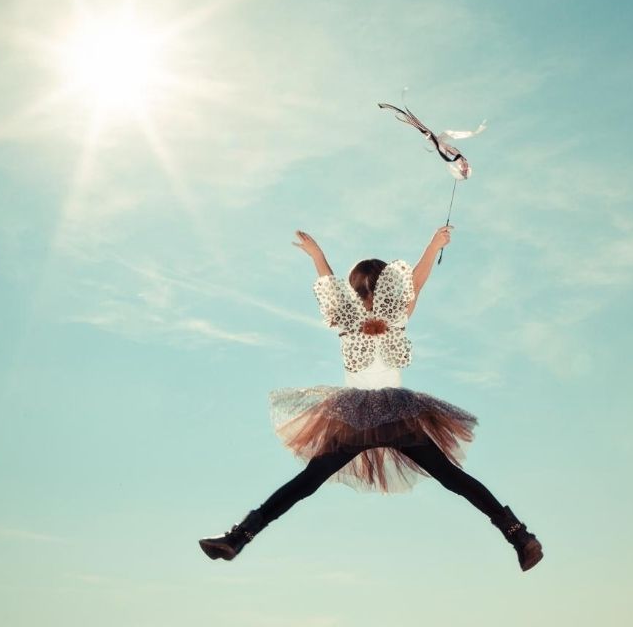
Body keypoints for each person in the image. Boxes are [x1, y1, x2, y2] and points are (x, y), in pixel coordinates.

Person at [198, 226, 543, 571]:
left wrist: (317, 255)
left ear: (353, 290)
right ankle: (518, 535)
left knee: (306, 482)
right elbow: (417, 281)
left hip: (355, 420)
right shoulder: (396, 315)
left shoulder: (345, 318)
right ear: (387, 287)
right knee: (452, 477)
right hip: (397, 417)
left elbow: (331, 286)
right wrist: (433, 244)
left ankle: (239, 537)